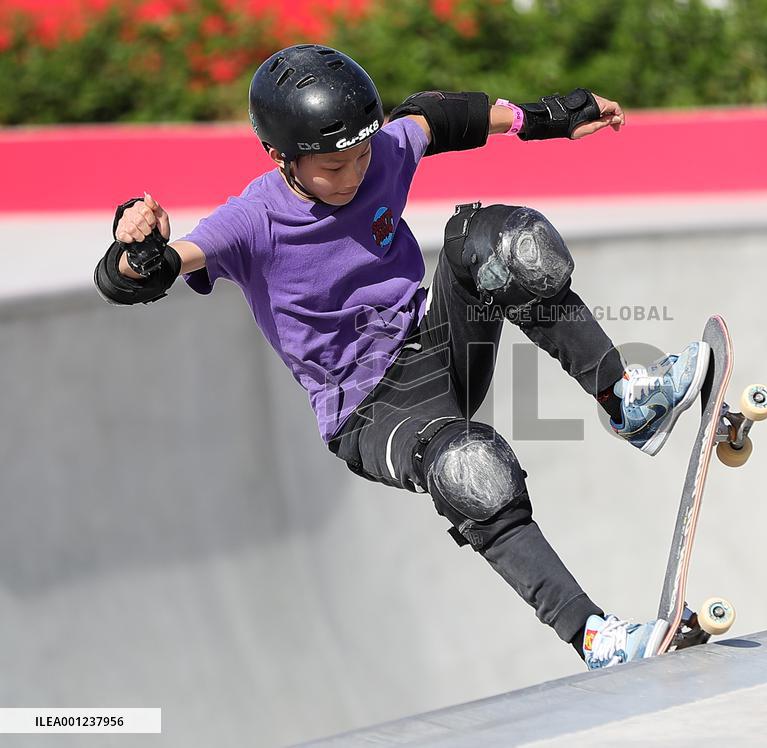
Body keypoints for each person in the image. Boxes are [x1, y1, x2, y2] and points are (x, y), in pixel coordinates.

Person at [94, 44, 709, 669]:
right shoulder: (253, 221)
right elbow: (144, 277)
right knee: (473, 471)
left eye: (361, 156)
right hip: (369, 412)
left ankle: (625, 399)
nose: (354, 174)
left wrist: (548, 116)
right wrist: (136, 250)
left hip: (435, 344)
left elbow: (442, 118)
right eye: (333, 167)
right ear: (281, 158)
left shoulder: (381, 150)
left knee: (505, 246)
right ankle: (595, 637)